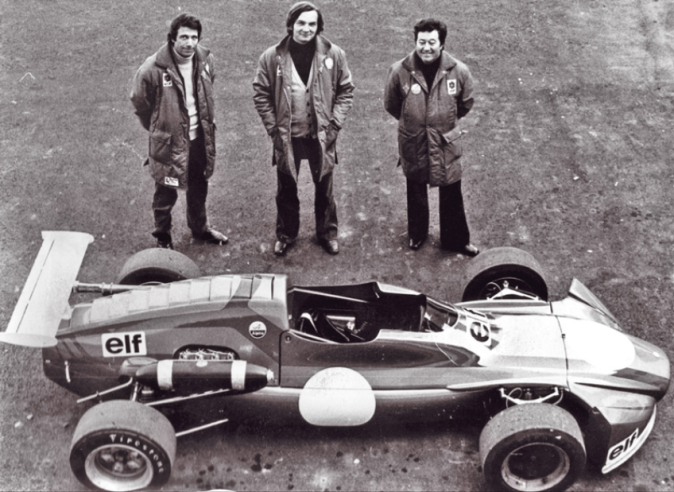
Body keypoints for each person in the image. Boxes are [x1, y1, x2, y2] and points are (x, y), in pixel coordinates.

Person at [253, 1, 355, 256]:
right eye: (301, 23)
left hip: (322, 136)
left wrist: (334, 124)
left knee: (325, 187)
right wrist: (273, 129)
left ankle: (327, 234)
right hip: (288, 137)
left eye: (312, 24)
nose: (306, 29)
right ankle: (286, 234)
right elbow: (261, 94)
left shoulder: (334, 54)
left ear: (319, 27)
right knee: (286, 187)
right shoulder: (271, 56)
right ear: (291, 25)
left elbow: (346, 90)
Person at [130, 13, 228, 250]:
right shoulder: (152, 68)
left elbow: (207, 90)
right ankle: (162, 236)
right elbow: (140, 102)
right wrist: (157, 129)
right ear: (172, 39)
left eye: (194, 37)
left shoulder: (206, 60)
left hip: (199, 141)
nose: (189, 43)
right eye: (184, 37)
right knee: (165, 191)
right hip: (170, 144)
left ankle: (200, 229)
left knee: (199, 186)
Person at [384, 18, 479, 256]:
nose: (426, 48)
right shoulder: (399, 71)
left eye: (432, 42)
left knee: (451, 192)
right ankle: (417, 234)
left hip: (445, 140)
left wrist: (441, 122)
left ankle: (456, 239)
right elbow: (391, 104)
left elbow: (465, 103)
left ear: (442, 44)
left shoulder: (459, 71)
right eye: (421, 42)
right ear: (415, 42)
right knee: (415, 188)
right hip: (413, 139)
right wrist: (413, 121)